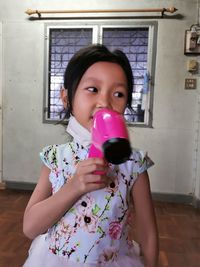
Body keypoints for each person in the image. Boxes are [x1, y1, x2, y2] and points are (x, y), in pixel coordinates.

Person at [23, 44, 159, 267]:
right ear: (66, 97)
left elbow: (149, 233)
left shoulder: (133, 164)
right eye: (93, 89)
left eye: (118, 93)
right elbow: (29, 227)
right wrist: (74, 186)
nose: (105, 102)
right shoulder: (56, 158)